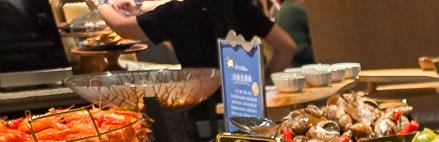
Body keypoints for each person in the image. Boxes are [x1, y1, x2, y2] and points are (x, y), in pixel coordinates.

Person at [90, 0, 296, 74]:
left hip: (200, 114)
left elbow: (121, 27)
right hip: (249, 104)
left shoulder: (175, 13)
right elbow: (287, 47)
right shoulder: (239, 6)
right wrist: (265, 78)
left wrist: (101, 3)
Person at [273, 0, 313, 66]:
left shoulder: (282, 8)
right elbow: (317, 26)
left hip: (285, 54)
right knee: (325, 53)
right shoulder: (297, 9)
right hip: (300, 51)